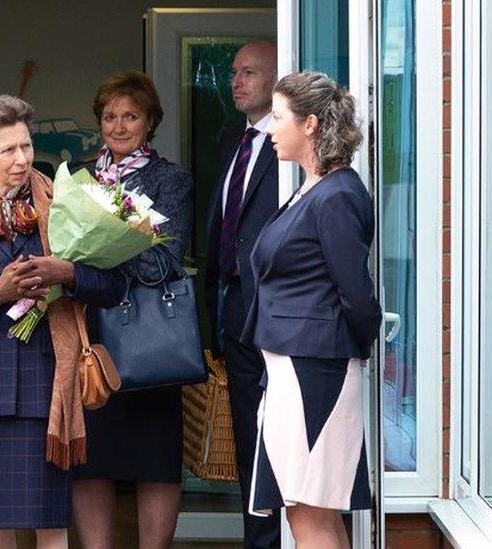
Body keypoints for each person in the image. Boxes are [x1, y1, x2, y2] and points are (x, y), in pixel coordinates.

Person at [0, 95, 123, 549]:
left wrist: (68, 273)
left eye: (26, 146)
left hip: (48, 380)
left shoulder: (66, 198)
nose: (22, 159)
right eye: (7, 150)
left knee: (49, 521)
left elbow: (113, 289)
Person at [242, 71, 382, 548]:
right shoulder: (314, 188)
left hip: (314, 368)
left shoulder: (337, 193)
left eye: (278, 117)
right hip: (296, 366)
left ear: (311, 124)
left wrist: (351, 348)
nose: (270, 127)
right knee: (311, 513)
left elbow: (357, 296)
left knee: (309, 515)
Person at [72, 70, 193, 549]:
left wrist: (105, 253)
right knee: (91, 458)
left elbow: (168, 256)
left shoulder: (170, 179)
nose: (119, 126)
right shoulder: (79, 179)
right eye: (109, 116)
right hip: (89, 336)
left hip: (149, 336)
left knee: (155, 460)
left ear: (150, 122)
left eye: (131, 116)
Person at [203, 41, 280, 549]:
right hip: (235, 309)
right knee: (250, 441)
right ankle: (260, 540)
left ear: (277, 77)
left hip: (279, 314)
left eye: (249, 72)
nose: (236, 81)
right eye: (234, 72)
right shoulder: (237, 137)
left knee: (282, 441)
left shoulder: (290, 141)